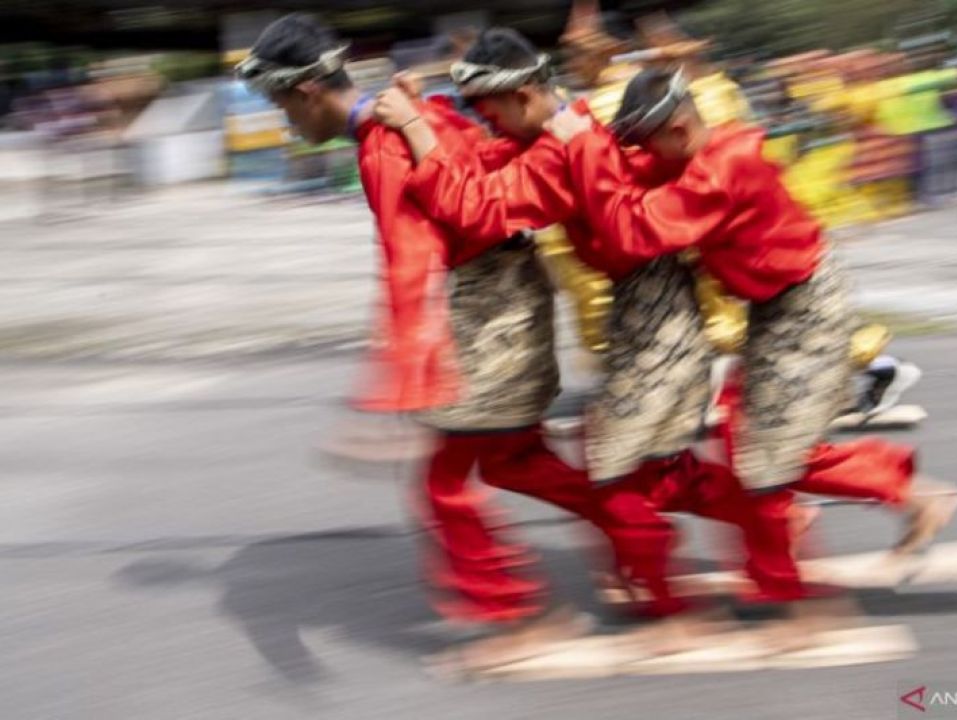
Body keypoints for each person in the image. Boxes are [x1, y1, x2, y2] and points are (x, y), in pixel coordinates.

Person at [374, 31, 954, 643]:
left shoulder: (607, 149)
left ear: (521, 96)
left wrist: (416, 129)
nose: (483, 125)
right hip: (723, 310)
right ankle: (794, 557)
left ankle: (736, 604)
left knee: (692, 466)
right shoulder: (578, 137)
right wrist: (426, 117)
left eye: (487, 112)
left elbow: (497, 212)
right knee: (721, 457)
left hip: (748, 310)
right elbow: (496, 167)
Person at [238, 13, 705, 671]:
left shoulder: (383, 141)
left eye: (281, 105)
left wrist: (398, 379)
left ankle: (526, 613)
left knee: (445, 484)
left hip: (492, 315)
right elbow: (483, 148)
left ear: (308, 91)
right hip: (508, 297)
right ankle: (636, 533)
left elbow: (408, 260)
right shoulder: (415, 112)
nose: (285, 123)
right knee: (514, 462)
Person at [544, 66, 957, 582]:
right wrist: (574, 125)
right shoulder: (695, 154)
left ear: (676, 130)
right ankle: (896, 499)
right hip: (777, 305)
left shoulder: (721, 171)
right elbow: (628, 173)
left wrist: (581, 145)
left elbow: (635, 232)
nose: (645, 154)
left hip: (805, 305)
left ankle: (891, 509)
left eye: (650, 142)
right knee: (758, 445)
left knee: (771, 452)